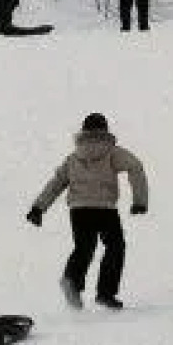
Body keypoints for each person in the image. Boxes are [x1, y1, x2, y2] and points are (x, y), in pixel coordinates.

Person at [26, 113, 149, 310]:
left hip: (79, 210)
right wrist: (140, 201)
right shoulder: (113, 152)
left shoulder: (74, 157)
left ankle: (72, 280)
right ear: (105, 130)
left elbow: (56, 183)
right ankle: (105, 293)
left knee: (84, 247)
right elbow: (136, 167)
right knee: (115, 247)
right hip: (105, 209)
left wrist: (38, 208)